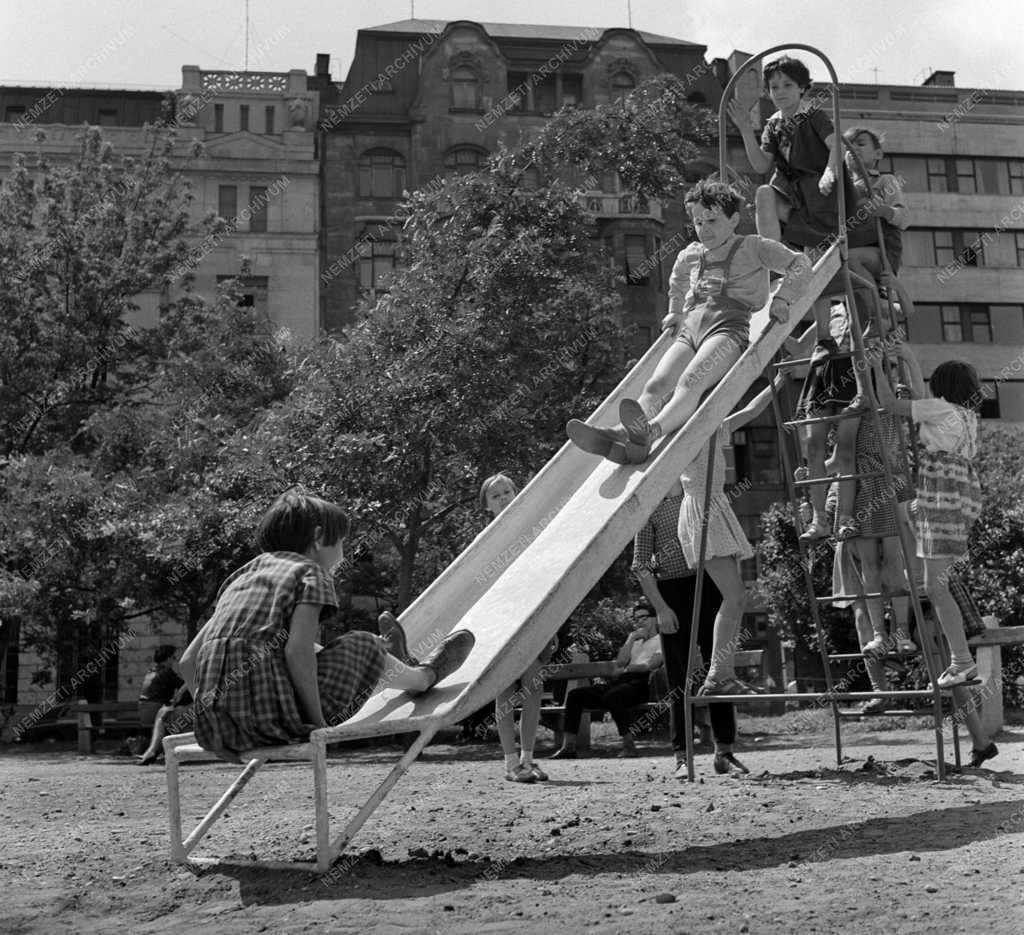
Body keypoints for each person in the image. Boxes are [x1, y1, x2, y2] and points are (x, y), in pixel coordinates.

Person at [178, 491, 475, 762]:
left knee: (285, 643)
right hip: (274, 724)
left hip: (219, 734)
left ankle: (397, 661)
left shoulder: (239, 580)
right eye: (342, 542)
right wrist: (317, 725)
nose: (343, 552)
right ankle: (423, 675)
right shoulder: (310, 574)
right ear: (319, 539)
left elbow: (188, 662)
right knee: (363, 642)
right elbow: (297, 653)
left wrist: (215, 722)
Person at [566, 180, 811, 464]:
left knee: (690, 381)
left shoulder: (753, 246)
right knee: (656, 385)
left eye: (712, 220)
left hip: (728, 328)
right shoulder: (691, 253)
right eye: (697, 222)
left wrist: (782, 298)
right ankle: (622, 433)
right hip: (692, 326)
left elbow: (799, 264)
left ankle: (652, 431)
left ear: (733, 220)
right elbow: (678, 280)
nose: (704, 229)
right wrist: (675, 311)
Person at [870, 351, 998, 768]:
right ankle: (962, 669)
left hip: (940, 493)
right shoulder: (965, 418)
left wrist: (873, 369)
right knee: (932, 578)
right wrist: (905, 360)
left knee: (933, 585)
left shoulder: (938, 409)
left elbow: (890, 404)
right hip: (955, 494)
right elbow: (917, 401)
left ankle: (961, 661)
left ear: (941, 389)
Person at [631, 484, 746, 778]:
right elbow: (641, 566)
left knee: (716, 668)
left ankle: (724, 750)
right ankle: (682, 755)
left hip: (709, 583)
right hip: (673, 593)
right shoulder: (649, 507)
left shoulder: (694, 495)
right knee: (679, 676)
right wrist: (660, 608)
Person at [479, 472, 558, 783]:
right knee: (506, 690)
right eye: (495, 495)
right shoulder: (485, 541)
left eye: (507, 491)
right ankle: (511, 763)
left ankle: (528, 759)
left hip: (534, 617)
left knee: (534, 686)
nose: (503, 497)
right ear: (486, 505)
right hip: (500, 621)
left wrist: (550, 622)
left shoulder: (536, 532)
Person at [549, 602, 663, 759]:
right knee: (576, 695)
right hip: (620, 683)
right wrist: (630, 638)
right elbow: (621, 662)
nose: (640, 621)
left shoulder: (661, 641)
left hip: (641, 685)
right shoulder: (634, 641)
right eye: (636, 619)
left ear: (655, 619)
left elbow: (650, 665)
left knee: (613, 696)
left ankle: (629, 746)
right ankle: (568, 747)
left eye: (644, 617)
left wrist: (627, 669)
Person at [136, 683, 194, 765]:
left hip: (203, 705)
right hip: (197, 705)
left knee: (172, 719)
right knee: (164, 713)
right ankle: (153, 750)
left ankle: (155, 751)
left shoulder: (196, 674)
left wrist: (181, 693)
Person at [137, 645, 183, 731]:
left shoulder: (151, 671)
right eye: (174, 657)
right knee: (187, 713)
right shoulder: (167, 672)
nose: (175, 660)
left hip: (143, 713)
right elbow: (184, 685)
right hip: (155, 712)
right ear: (168, 658)